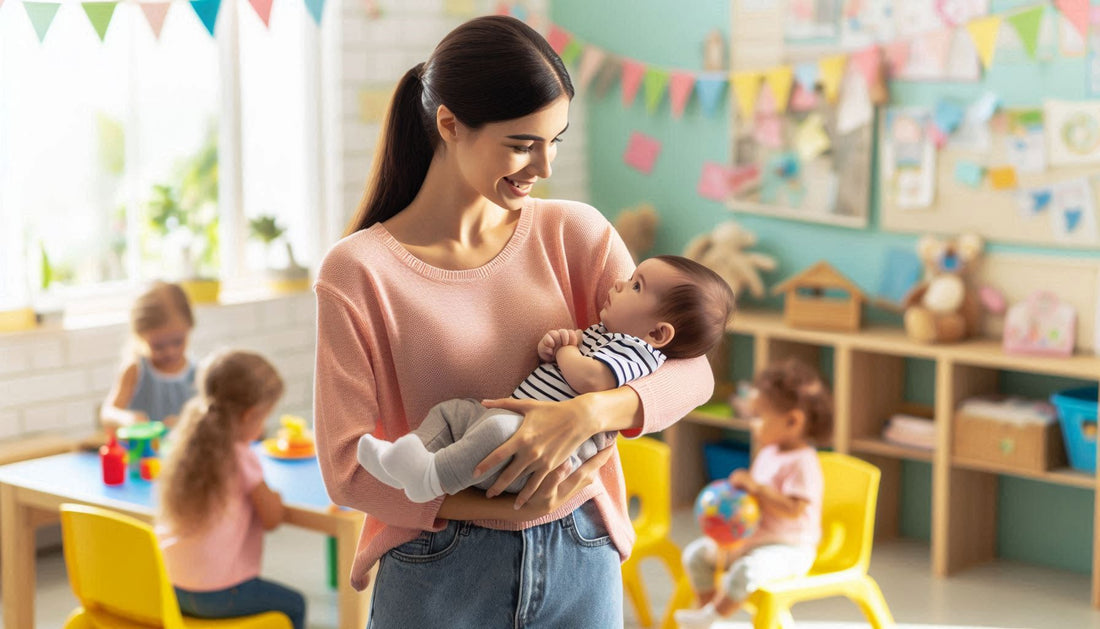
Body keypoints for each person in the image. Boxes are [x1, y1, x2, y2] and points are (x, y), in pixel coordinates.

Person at [313, 14, 715, 627]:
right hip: (438, 564)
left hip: (580, 551)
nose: (544, 166)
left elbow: (692, 371)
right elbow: (347, 469)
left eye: (556, 140)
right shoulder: (358, 272)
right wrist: (502, 507)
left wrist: (588, 413)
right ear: (450, 124)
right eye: (523, 144)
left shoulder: (574, 233)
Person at [357, 255, 734, 503]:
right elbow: (571, 362)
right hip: (513, 422)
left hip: (547, 456)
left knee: (494, 431)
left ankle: (430, 478)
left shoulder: (638, 351)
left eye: (636, 285)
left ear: (658, 333)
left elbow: (591, 379)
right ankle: (403, 459)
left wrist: (567, 351)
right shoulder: (608, 334)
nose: (619, 283)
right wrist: (559, 345)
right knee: (453, 412)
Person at [674, 358, 834, 629]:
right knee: (695, 555)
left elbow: (794, 510)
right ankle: (706, 609)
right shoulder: (768, 452)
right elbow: (754, 501)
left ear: (793, 421)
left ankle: (712, 617)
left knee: (746, 570)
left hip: (790, 548)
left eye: (759, 416)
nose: (753, 424)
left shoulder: (803, 462)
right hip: (752, 540)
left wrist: (757, 489)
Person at [155, 350, 306, 629]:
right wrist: (275, 498)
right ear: (249, 415)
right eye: (263, 418)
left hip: (170, 586)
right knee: (296, 604)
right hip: (219, 595)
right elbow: (272, 519)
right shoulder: (240, 456)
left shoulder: (187, 444)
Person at [100, 281, 196, 431]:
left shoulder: (196, 373)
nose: (170, 352)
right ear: (140, 337)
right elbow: (107, 413)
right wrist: (127, 418)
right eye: (158, 346)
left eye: (178, 342)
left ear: (189, 328)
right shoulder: (136, 370)